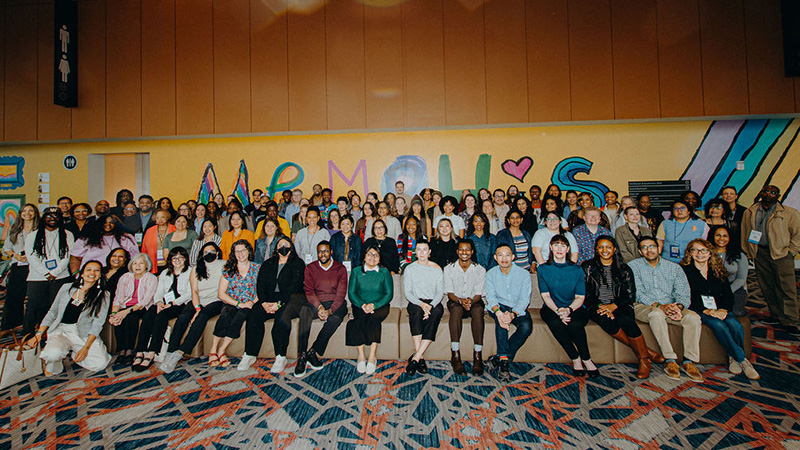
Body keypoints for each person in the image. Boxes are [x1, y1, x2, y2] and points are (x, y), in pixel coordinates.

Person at [583, 237, 663, 379]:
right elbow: (586, 293)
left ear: (614, 249)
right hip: (597, 305)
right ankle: (647, 353)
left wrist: (613, 306)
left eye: (608, 247)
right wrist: (602, 306)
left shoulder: (624, 269)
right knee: (606, 320)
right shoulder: (587, 267)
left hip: (620, 304)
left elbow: (630, 295)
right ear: (596, 249)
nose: (605, 250)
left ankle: (643, 359)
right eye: (601, 247)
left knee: (626, 320)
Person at [681, 239, 759, 379]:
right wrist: (706, 311)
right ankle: (742, 360)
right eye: (695, 250)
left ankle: (733, 357)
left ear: (710, 253)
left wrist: (723, 309)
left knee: (735, 324)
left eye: (704, 250)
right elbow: (686, 296)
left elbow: (727, 293)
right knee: (718, 325)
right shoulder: (684, 271)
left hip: (719, 307)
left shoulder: (717, 269)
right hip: (699, 308)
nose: (700, 253)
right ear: (690, 253)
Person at [629, 236, 702, 382]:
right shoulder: (633, 266)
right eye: (644, 247)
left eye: (652, 246)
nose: (649, 250)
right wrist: (660, 306)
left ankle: (689, 361)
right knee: (656, 314)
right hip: (644, 306)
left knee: (693, 318)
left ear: (658, 248)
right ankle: (670, 359)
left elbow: (683, 293)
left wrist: (678, 307)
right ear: (640, 251)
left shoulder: (674, 267)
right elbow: (638, 293)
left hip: (671, 305)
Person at [25, 261, 111, 374]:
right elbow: (53, 312)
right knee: (53, 355)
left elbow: (98, 323)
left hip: (82, 333)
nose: (92, 273)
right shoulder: (67, 287)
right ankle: (56, 356)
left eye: (97, 270)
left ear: (100, 275)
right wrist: (39, 334)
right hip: (61, 330)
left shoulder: (104, 295)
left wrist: (86, 348)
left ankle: (73, 351)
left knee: (100, 363)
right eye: (89, 269)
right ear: (82, 273)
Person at [740, 184, 800, 334]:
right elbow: (745, 232)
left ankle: (790, 320)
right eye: (766, 191)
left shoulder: (789, 213)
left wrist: (791, 252)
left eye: (773, 192)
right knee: (767, 286)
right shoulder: (750, 211)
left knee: (786, 288)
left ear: (778, 196)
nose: (769, 194)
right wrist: (749, 252)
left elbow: (798, 234)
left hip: (781, 255)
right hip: (760, 253)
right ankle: (776, 315)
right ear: (761, 193)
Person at [160, 242, 226, 373]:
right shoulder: (196, 268)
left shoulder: (224, 265)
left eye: (212, 252)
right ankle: (170, 351)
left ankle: (180, 352)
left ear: (217, 253)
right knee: (183, 317)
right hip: (198, 300)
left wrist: (199, 312)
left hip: (216, 300)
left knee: (202, 316)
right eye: (206, 252)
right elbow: (194, 290)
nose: (209, 254)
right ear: (202, 254)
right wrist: (197, 308)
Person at [538, 235, 598, 377]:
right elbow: (545, 296)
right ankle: (575, 358)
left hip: (575, 307)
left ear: (568, 249)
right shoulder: (543, 269)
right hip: (552, 307)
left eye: (563, 246)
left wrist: (568, 309)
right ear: (551, 247)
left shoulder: (577, 269)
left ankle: (586, 359)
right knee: (556, 323)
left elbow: (580, 297)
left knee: (574, 324)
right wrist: (559, 311)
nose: (559, 249)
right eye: (556, 245)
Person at [245, 236, 305, 373]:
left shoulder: (298, 263)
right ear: (276, 248)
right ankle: (249, 354)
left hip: (291, 300)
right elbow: (260, 284)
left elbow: (295, 286)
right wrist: (264, 302)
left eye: (286, 245)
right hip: (269, 299)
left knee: (282, 315)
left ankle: (280, 356)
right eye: (280, 245)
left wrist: (280, 303)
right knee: (254, 313)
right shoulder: (268, 263)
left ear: (291, 247)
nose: (283, 247)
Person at [294, 241, 348, 377]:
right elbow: (309, 291)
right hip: (316, 302)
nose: (322, 254)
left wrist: (330, 310)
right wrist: (319, 307)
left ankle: (313, 350)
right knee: (304, 311)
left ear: (331, 252)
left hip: (335, 302)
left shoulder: (340, 268)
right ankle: (303, 354)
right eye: (320, 251)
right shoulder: (310, 268)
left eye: (325, 251)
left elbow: (341, 294)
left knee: (336, 318)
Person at [133, 247, 192, 372]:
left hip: (180, 303)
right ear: (170, 260)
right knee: (149, 314)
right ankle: (140, 351)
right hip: (164, 302)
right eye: (174, 258)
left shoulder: (191, 271)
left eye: (180, 257)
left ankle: (152, 351)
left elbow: (189, 293)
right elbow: (159, 291)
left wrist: (172, 303)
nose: (177, 260)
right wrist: (159, 302)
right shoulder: (165, 273)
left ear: (185, 259)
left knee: (161, 316)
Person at [22, 207, 75, 336]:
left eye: (56, 216)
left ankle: (53, 336)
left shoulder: (67, 234)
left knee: (56, 307)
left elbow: (67, 256)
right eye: (49, 216)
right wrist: (46, 273)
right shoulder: (33, 235)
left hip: (60, 277)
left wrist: (55, 273)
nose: (53, 219)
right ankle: (28, 336)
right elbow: (31, 256)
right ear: (43, 218)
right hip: (37, 277)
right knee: (33, 307)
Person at [207, 240, 259, 369]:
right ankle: (213, 349)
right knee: (225, 315)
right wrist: (239, 304)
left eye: (243, 250)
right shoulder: (228, 269)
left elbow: (261, 290)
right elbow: (221, 293)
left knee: (240, 317)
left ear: (249, 251)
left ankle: (222, 350)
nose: (240, 254)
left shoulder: (257, 268)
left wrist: (252, 303)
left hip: (249, 304)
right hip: (232, 301)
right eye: (237, 251)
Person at [485, 244, 532, 382]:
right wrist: (499, 313)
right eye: (500, 255)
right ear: (495, 257)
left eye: (507, 255)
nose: (504, 258)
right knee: (501, 323)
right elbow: (491, 298)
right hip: (499, 306)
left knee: (526, 327)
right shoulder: (490, 274)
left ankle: (498, 359)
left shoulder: (523, 274)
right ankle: (504, 363)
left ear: (513, 257)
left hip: (517, 307)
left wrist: (512, 314)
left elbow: (524, 299)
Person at [346, 244, 393, 375]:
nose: (372, 258)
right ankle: (361, 356)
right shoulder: (356, 271)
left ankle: (372, 356)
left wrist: (374, 305)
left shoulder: (384, 272)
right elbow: (352, 293)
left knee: (373, 318)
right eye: (369, 254)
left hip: (380, 306)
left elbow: (388, 294)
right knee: (359, 319)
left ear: (379, 258)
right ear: (364, 257)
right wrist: (363, 305)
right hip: (360, 305)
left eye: (376, 255)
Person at [444, 240, 486, 375]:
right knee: (456, 310)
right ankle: (455, 355)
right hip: (456, 301)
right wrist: (460, 301)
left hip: (474, 301)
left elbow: (479, 293)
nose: (464, 252)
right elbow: (450, 293)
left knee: (478, 310)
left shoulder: (480, 269)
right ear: (457, 251)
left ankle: (478, 356)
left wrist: (470, 301)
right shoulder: (449, 269)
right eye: (461, 249)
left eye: (467, 250)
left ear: (472, 252)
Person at [403, 240, 445, 376]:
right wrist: (422, 305)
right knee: (416, 312)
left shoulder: (437, 269)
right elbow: (408, 293)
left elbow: (439, 293)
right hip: (416, 301)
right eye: (419, 249)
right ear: (415, 252)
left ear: (429, 252)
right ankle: (420, 357)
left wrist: (430, 306)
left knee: (436, 313)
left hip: (433, 302)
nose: (421, 252)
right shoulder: (410, 269)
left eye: (424, 249)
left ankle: (415, 358)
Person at [108, 254, 157, 366]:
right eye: (135, 263)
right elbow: (118, 298)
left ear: (147, 265)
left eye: (141, 263)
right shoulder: (125, 277)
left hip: (142, 307)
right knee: (118, 318)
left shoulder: (151, 278)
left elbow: (145, 301)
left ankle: (129, 351)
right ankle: (121, 350)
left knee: (131, 317)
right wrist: (114, 313)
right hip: (125, 306)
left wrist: (125, 312)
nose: (137, 266)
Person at [1, 203, 38, 331]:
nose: (27, 213)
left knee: (35, 297)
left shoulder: (41, 229)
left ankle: (32, 326)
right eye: (24, 211)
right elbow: (7, 248)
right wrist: (15, 255)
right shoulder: (14, 229)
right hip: (18, 266)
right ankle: (11, 326)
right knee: (14, 296)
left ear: (35, 213)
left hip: (36, 267)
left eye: (31, 210)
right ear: (20, 214)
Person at [70, 214, 139, 272]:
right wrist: (76, 274)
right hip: (92, 275)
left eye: (112, 222)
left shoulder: (125, 238)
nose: (108, 224)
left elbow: (135, 258)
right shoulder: (87, 239)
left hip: (118, 275)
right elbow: (75, 258)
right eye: (105, 222)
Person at [710, 225, 748, 317]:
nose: (721, 238)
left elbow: (741, 278)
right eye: (718, 235)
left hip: (734, 287)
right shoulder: (706, 253)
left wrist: (727, 292)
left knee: (735, 313)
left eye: (725, 236)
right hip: (713, 287)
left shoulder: (739, 255)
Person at [140, 209, 176, 273]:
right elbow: (144, 249)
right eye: (157, 218)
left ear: (167, 218)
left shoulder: (174, 229)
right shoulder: (150, 231)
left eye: (162, 217)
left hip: (172, 261)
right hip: (154, 263)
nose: (160, 219)